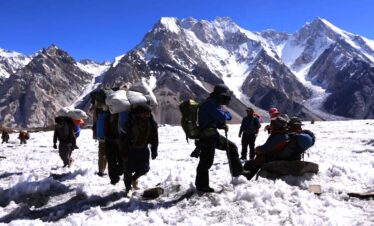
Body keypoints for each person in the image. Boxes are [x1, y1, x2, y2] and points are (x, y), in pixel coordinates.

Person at [195, 84, 250, 193]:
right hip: (208, 137)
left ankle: (237, 171)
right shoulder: (211, 105)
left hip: (212, 135)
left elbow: (211, 120)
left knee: (232, 147)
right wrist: (227, 114)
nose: (226, 99)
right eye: (225, 97)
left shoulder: (211, 103)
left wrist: (219, 124)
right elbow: (223, 117)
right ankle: (202, 186)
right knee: (206, 162)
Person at [120, 103, 158, 197]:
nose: (147, 116)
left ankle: (134, 179)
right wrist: (123, 151)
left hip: (143, 150)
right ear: (138, 113)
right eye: (145, 114)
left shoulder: (151, 122)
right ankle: (128, 188)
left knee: (145, 169)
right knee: (128, 170)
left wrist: (154, 149)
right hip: (130, 150)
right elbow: (124, 138)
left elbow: (154, 136)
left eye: (148, 114)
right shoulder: (130, 122)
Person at [244, 115, 290, 180]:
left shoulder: (278, 136)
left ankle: (244, 179)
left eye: (272, 125)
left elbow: (265, 149)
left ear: (277, 126)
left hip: (270, 158)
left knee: (249, 164)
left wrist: (257, 149)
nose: (271, 126)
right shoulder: (283, 134)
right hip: (274, 155)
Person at [92, 108, 108, 177]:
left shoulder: (98, 115)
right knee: (106, 154)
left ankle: (101, 170)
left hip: (100, 137)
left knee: (101, 154)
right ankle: (102, 170)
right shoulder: (108, 115)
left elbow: (94, 126)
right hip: (107, 137)